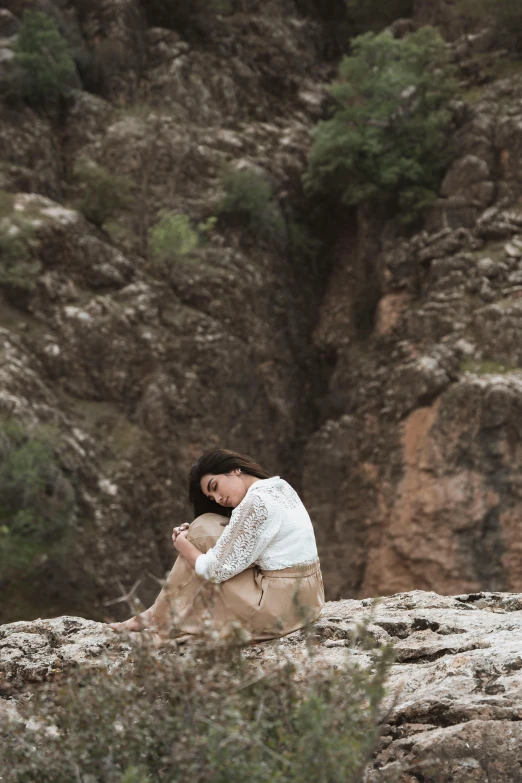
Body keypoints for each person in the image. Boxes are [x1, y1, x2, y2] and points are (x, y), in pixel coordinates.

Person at [109, 448, 324, 643]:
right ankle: (155, 615)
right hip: (308, 598)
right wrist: (192, 535)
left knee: (199, 541)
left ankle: (155, 618)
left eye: (215, 487)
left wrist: (183, 544)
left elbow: (214, 571)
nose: (219, 499)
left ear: (234, 469)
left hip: (280, 606)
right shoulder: (278, 486)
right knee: (203, 526)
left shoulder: (256, 502)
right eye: (212, 497)